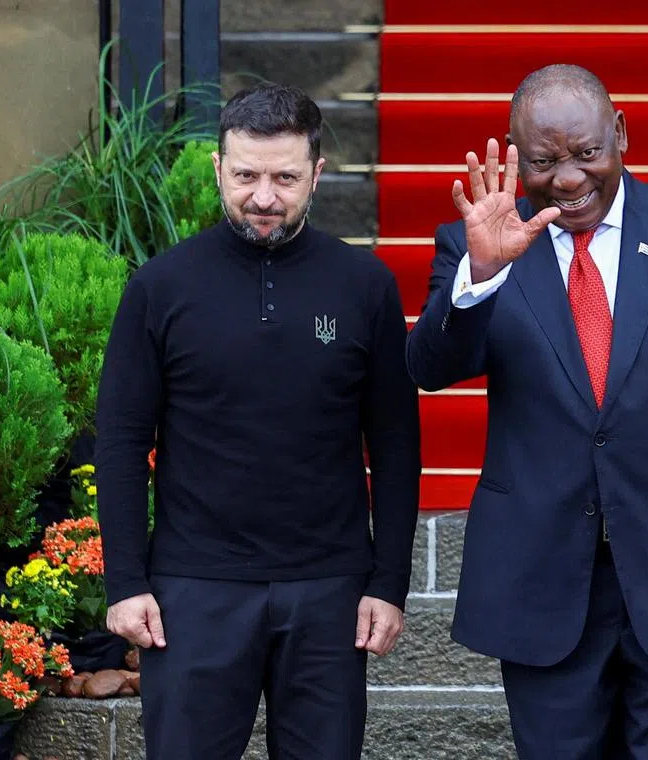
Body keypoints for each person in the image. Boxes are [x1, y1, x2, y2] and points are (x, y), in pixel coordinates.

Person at [406, 64, 648, 759]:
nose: (568, 179)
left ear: (620, 133)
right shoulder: (480, 242)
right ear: (515, 154)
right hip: (543, 579)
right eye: (543, 161)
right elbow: (430, 369)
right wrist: (483, 275)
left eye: (587, 152)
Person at [95, 82, 421, 760]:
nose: (264, 197)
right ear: (218, 168)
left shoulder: (365, 285)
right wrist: (126, 582)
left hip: (330, 591)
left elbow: (394, 443)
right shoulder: (160, 286)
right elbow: (122, 442)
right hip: (193, 591)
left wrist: (388, 583)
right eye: (245, 176)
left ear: (317, 174)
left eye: (285, 178)